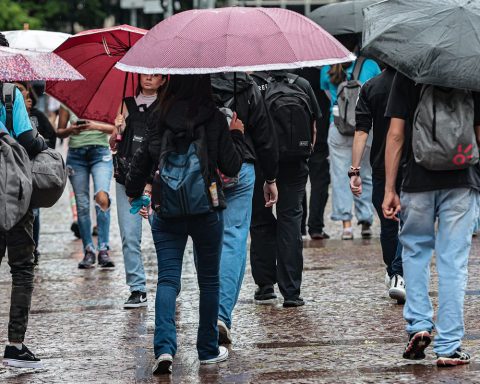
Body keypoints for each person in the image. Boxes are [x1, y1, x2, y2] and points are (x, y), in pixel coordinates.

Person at [125, 74, 245, 374]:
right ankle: (206, 350)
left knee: (167, 279)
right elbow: (232, 166)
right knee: (209, 280)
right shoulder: (214, 117)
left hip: (167, 208)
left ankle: (164, 348)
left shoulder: (158, 115)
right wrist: (237, 134)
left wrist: (133, 191)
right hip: (206, 208)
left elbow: (142, 161)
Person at [383, 71, 480, 367]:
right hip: (462, 179)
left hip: (417, 180)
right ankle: (449, 346)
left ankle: (419, 325)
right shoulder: (472, 70)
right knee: (454, 261)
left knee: (415, 252)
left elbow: (396, 134)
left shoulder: (409, 72)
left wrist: (389, 188)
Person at [211, 72, 278, 344]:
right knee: (234, 238)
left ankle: (211, 312)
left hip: (205, 169)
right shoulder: (247, 85)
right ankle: (221, 314)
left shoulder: (192, 80)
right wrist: (271, 178)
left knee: (207, 240)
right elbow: (264, 135)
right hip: (242, 167)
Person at [249, 70, 320, 307]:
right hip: (295, 163)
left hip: (261, 162)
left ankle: (265, 286)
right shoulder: (302, 84)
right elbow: (313, 128)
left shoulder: (252, 85)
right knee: (290, 220)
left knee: (260, 219)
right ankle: (291, 291)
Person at [0, 32, 47, 368]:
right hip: (12, 193)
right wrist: (42, 142)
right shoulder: (10, 93)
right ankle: (15, 345)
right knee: (22, 267)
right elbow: (29, 140)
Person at [349, 66, 405, 303]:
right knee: (409, 221)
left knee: (388, 223)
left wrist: (355, 170)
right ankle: (398, 273)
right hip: (412, 163)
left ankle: (395, 273)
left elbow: (361, 131)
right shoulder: (413, 84)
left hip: (382, 164)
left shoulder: (370, 86)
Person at [110, 73, 166, 308]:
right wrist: (117, 131)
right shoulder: (127, 104)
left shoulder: (167, 106)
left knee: (163, 235)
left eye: (155, 76)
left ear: (163, 80)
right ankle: (137, 288)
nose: (149, 79)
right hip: (127, 179)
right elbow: (115, 144)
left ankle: (169, 284)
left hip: (158, 181)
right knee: (129, 236)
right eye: (145, 74)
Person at [320, 37, 380, 240]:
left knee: (340, 175)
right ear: (357, 44)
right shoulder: (370, 65)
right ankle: (366, 219)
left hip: (337, 127)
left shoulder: (327, 68)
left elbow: (330, 97)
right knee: (366, 174)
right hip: (365, 128)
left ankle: (346, 225)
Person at [57, 106, 115, 269]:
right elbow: (59, 131)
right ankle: (88, 250)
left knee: (102, 197)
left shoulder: (104, 99)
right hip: (76, 156)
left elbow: (115, 128)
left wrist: (94, 126)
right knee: (82, 205)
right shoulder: (68, 100)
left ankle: (103, 249)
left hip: (101, 153)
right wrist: (71, 129)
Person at [13, 82, 56, 266]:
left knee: (32, 211)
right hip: (14, 169)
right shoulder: (10, 102)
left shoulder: (36, 116)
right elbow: (28, 139)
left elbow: (51, 136)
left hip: (24, 169)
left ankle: (32, 248)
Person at [295, 67, 331, 240]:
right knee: (320, 182)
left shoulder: (292, 78)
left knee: (298, 181)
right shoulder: (324, 74)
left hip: (295, 137)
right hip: (320, 135)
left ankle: (299, 225)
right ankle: (315, 226)